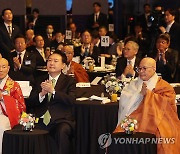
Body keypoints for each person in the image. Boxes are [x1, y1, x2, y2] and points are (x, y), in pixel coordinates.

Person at [114, 57, 180, 154]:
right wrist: (139, 95)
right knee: (120, 133)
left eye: (144, 68)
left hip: (158, 119)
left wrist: (149, 95)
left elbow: (169, 105)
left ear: (154, 69)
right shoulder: (134, 84)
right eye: (139, 69)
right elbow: (124, 101)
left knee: (165, 135)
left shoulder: (164, 86)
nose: (141, 72)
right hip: (135, 118)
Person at [28, 51, 76, 154]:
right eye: (49, 60)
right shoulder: (39, 79)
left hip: (61, 120)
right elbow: (30, 102)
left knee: (62, 131)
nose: (51, 63)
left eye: (55, 61)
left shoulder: (69, 81)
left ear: (63, 65)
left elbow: (71, 100)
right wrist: (41, 94)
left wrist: (53, 91)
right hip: (40, 120)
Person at [0, 58, 26, 154]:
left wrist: (3, 98)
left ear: (8, 68)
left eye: (3, 67)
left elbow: (21, 106)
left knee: (1, 127)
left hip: (6, 116)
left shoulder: (14, 85)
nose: (1, 70)